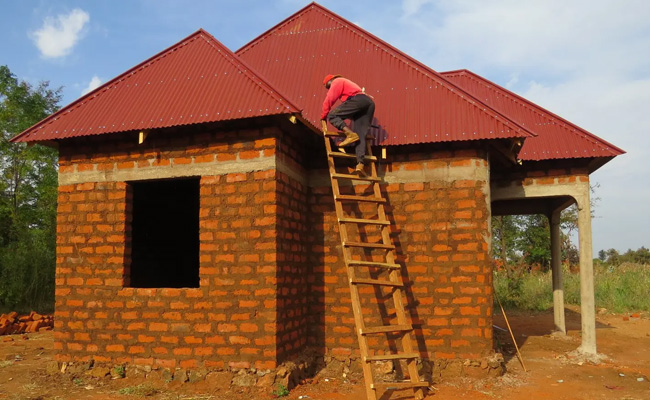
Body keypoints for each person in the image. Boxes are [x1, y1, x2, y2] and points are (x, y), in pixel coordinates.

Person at [320, 74, 375, 175]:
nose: (329, 89)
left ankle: (350, 134)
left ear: (330, 81)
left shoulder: (337, 81)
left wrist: (323, 115)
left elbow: (330, 98)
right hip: (368, 103)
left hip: (358, 100)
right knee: (360, 135)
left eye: (328, 86)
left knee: (332, 115)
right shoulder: (347, 84)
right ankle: (360, 164)